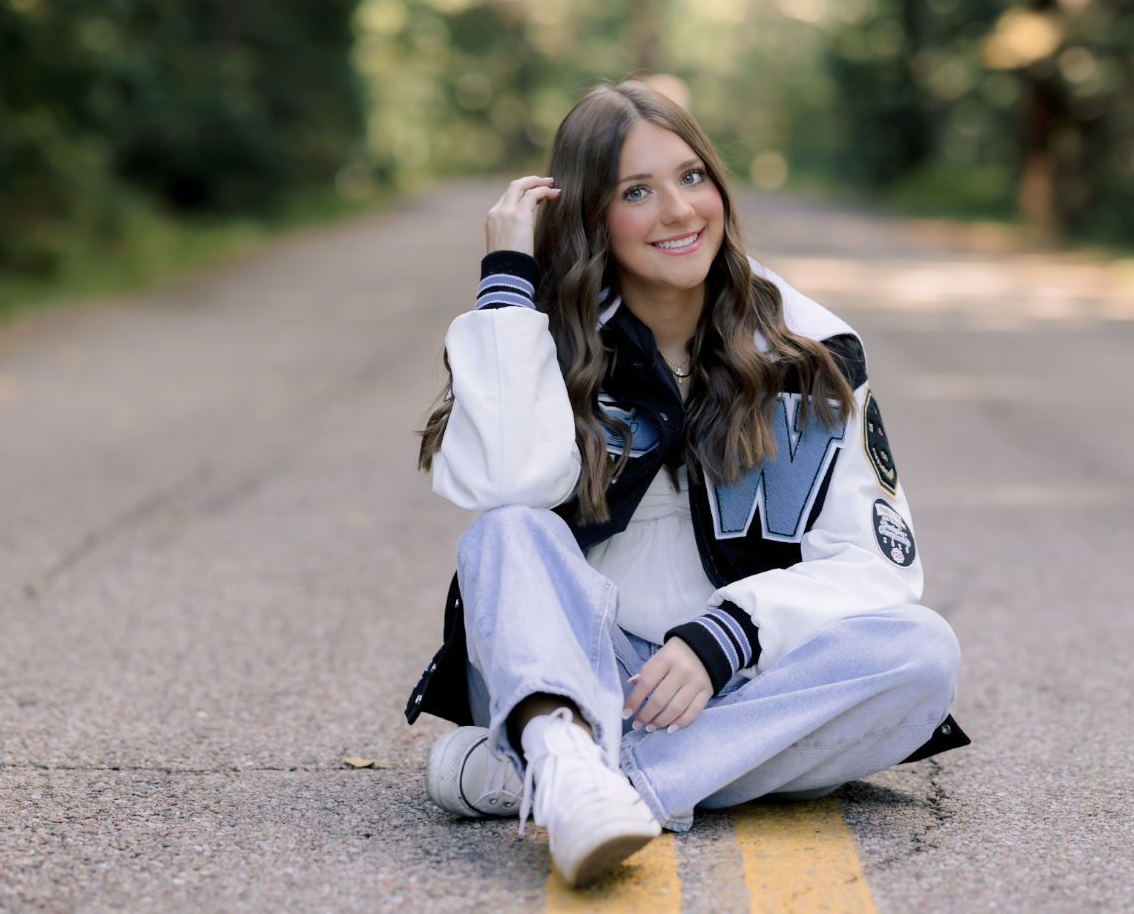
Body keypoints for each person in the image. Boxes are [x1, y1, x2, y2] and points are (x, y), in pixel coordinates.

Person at [405, 80, 967, 888]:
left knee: (922, 652)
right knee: (506, 533)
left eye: (692, 176)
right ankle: (568, 749)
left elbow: (880, 566)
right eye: (637, 191)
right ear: (593, 217)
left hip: (738, 677)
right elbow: (506, 483)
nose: (678, 211)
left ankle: (572, 780)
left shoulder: (811, 349)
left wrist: (727, 637)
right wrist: (507, 278)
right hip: (569, 668)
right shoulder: (539, 338)